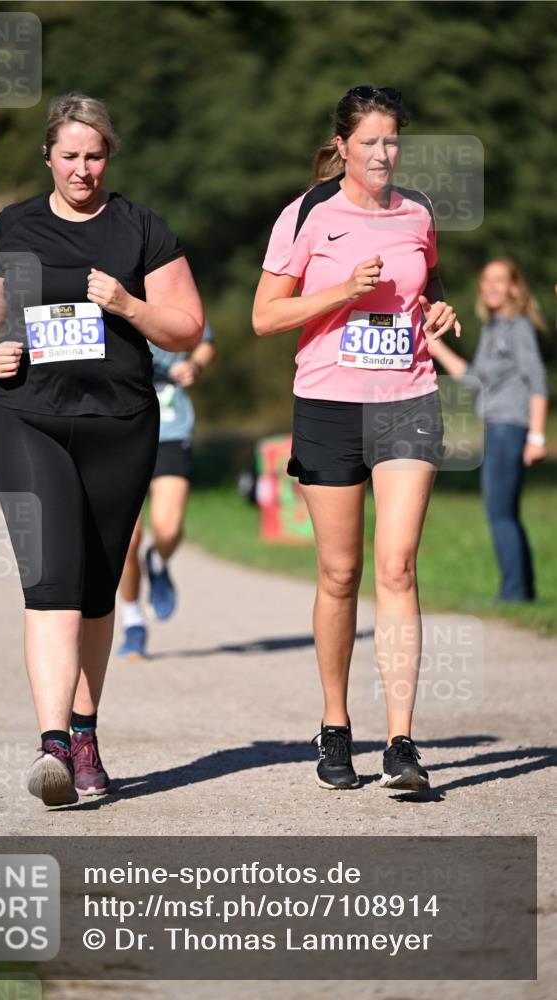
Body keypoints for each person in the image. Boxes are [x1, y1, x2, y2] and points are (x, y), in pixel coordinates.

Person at [0, 93, 203, 807]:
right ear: (48, 158)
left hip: (119, 423)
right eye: (69, 155)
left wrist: (127, 306)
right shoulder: (15, 226)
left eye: (94, 156)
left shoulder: (139, 229)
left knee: (96, 589)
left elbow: (187, 327)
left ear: (108, 158)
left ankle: (86, 730)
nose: (82, 169)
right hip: (28, 416)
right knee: (53, 578)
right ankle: (52, 743)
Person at [253, 86, 461, 792]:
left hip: (407, 399)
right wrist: (339, 293)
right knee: (339, 574)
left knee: (397, 566)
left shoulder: (417, 212)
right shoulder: (307, 213)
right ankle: (336, 724)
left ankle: (401, 741)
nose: (381, 154)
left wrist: (436, 310)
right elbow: (263, 317)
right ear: (341, 145)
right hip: (328, 405)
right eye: (368, 141)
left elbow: (422, 286)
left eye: (391, 141)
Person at [427, 259, 548, 602]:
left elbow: (538, 381)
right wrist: (434, 345)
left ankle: (514, 593)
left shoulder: (518, 326)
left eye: (500, 280)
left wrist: (537, 438)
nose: (491, 286)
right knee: (502, 511)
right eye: (486, 280)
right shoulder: (494, 327)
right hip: (496, 426)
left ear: (515, 287)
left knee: (500, 512)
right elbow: (474, 379)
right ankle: (520, 590)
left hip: (511, 427)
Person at [116, 320, 216, 659]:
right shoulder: (100, 293)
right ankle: (133, 623)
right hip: (118, 435)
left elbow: (206, 340)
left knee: (168, 528)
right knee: (126, 541)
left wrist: (194, 365)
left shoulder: (169, 291)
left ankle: (158, 561)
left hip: (170, 432)